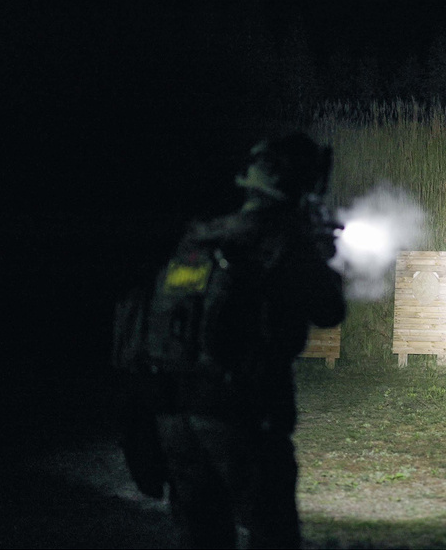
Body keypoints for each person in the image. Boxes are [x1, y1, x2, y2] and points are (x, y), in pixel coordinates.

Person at [130, 132, 346, 549]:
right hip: (239, 410)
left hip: (173, 410)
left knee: (203, 535)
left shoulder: (204, 235)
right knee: (271, 531)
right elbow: (328, 311)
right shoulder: (283, 239)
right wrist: (322, 255)